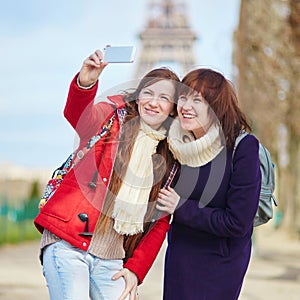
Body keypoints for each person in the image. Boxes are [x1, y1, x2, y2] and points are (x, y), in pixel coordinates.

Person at [34, 49, 180, 300]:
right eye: (148, 93)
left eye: (164, 98)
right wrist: (86, 82)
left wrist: (135, 270)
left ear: (173, 109)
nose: (154, 102)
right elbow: (80, 117)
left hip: (112, 257)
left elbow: (160, 222)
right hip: (68, 242)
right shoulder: (111, 117)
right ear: (138, 96)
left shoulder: (170, 159)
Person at [156, 68, 262, 300]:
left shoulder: (242, 148)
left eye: (197, 100)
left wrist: (181, 207)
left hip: (220, 263)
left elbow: (238, 222)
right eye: (182, 97)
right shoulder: (175, 144)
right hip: (180, 259)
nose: (186, 106)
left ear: (215, 106)